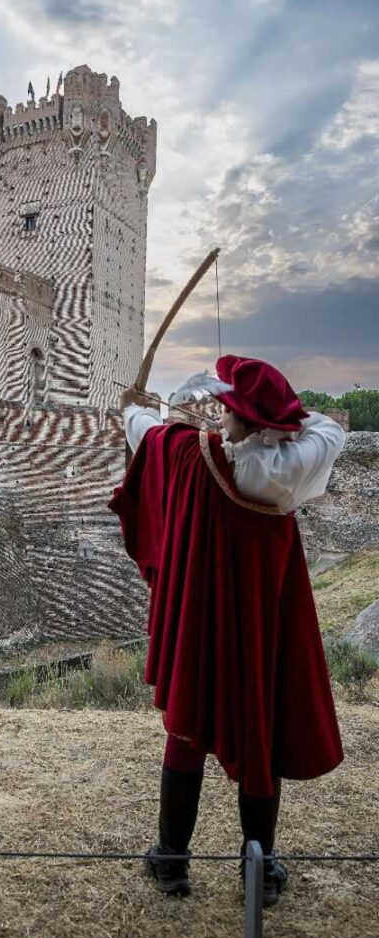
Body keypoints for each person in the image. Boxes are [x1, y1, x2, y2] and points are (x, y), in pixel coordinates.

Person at [109, 355, 346, 906]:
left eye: (229, 409)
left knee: (187, 726)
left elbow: (148, 434)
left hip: (201, 624)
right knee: (257, 729)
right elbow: (326, 427)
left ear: (246, 418)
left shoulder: (193, 456)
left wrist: (128, 409)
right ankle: (257, 870)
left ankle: (171, 861)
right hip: (262, 628)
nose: (218, 416)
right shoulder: (292, 466)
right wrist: (276, 412)